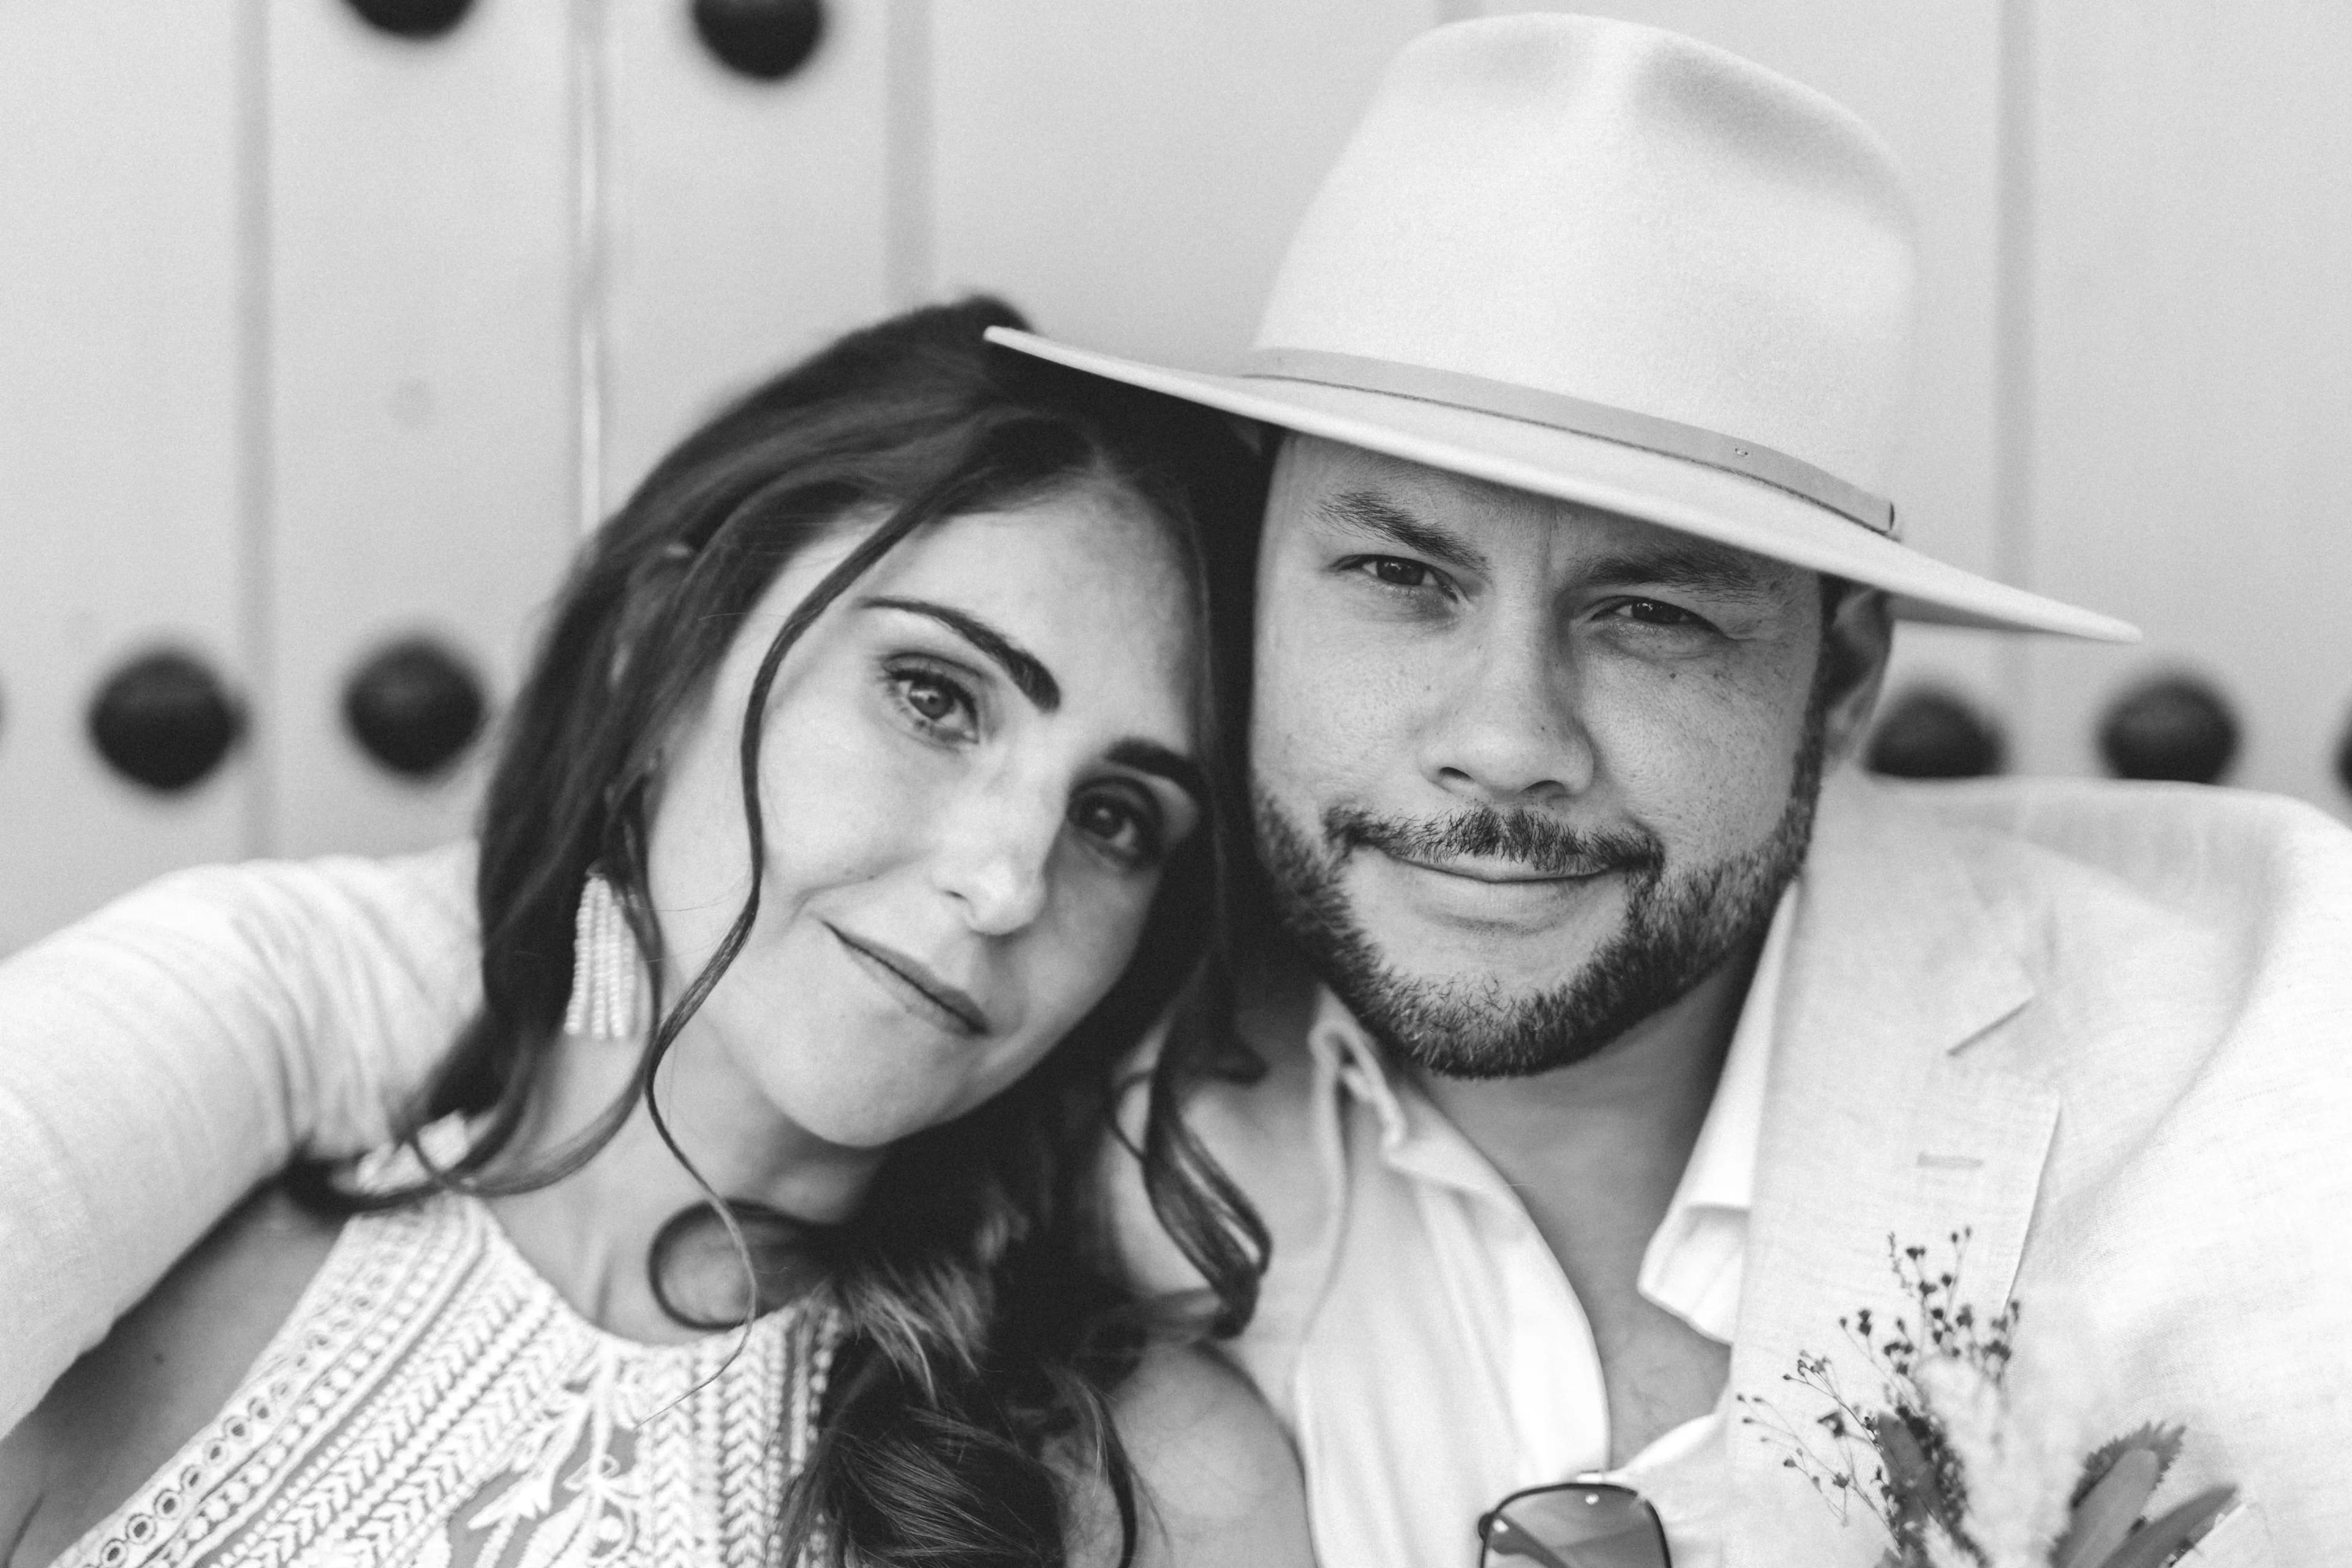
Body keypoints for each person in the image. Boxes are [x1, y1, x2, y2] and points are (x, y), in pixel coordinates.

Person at [6, 13, 2351, 1567]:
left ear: (1845, 679)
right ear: (1270, 626)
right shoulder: (1072, 1099)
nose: (1507, 737)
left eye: (1654, 611)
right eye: (1403, 577)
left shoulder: (2278, 1034)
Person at [0, 299, 1315, 1568]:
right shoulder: (155, 1253)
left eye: (1116, 816)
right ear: (657, 662)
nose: (1010, 879)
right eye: (933, 695)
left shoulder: (1145, 1483)